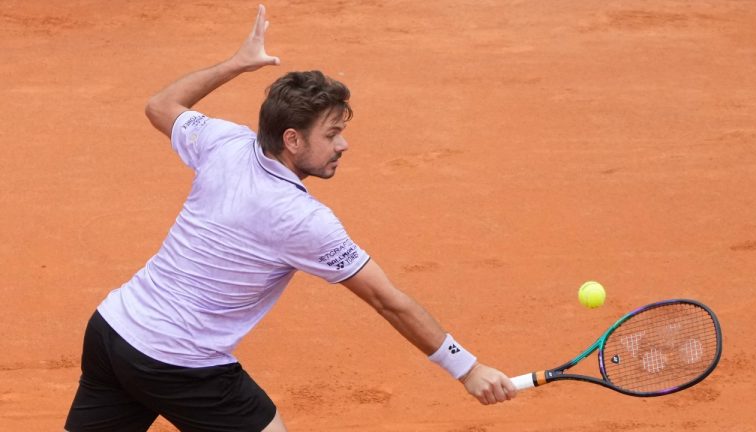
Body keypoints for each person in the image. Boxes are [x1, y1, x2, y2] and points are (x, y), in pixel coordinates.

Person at [64, 5, 516, 432]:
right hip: (181, 362)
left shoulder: (224, 142)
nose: (344, 146)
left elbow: (161, 105)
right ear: (293, 139)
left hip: (112, 330)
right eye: (333, 134)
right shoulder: (302, 220)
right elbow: (386, 300)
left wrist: (237, 64)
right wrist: (468, 368)